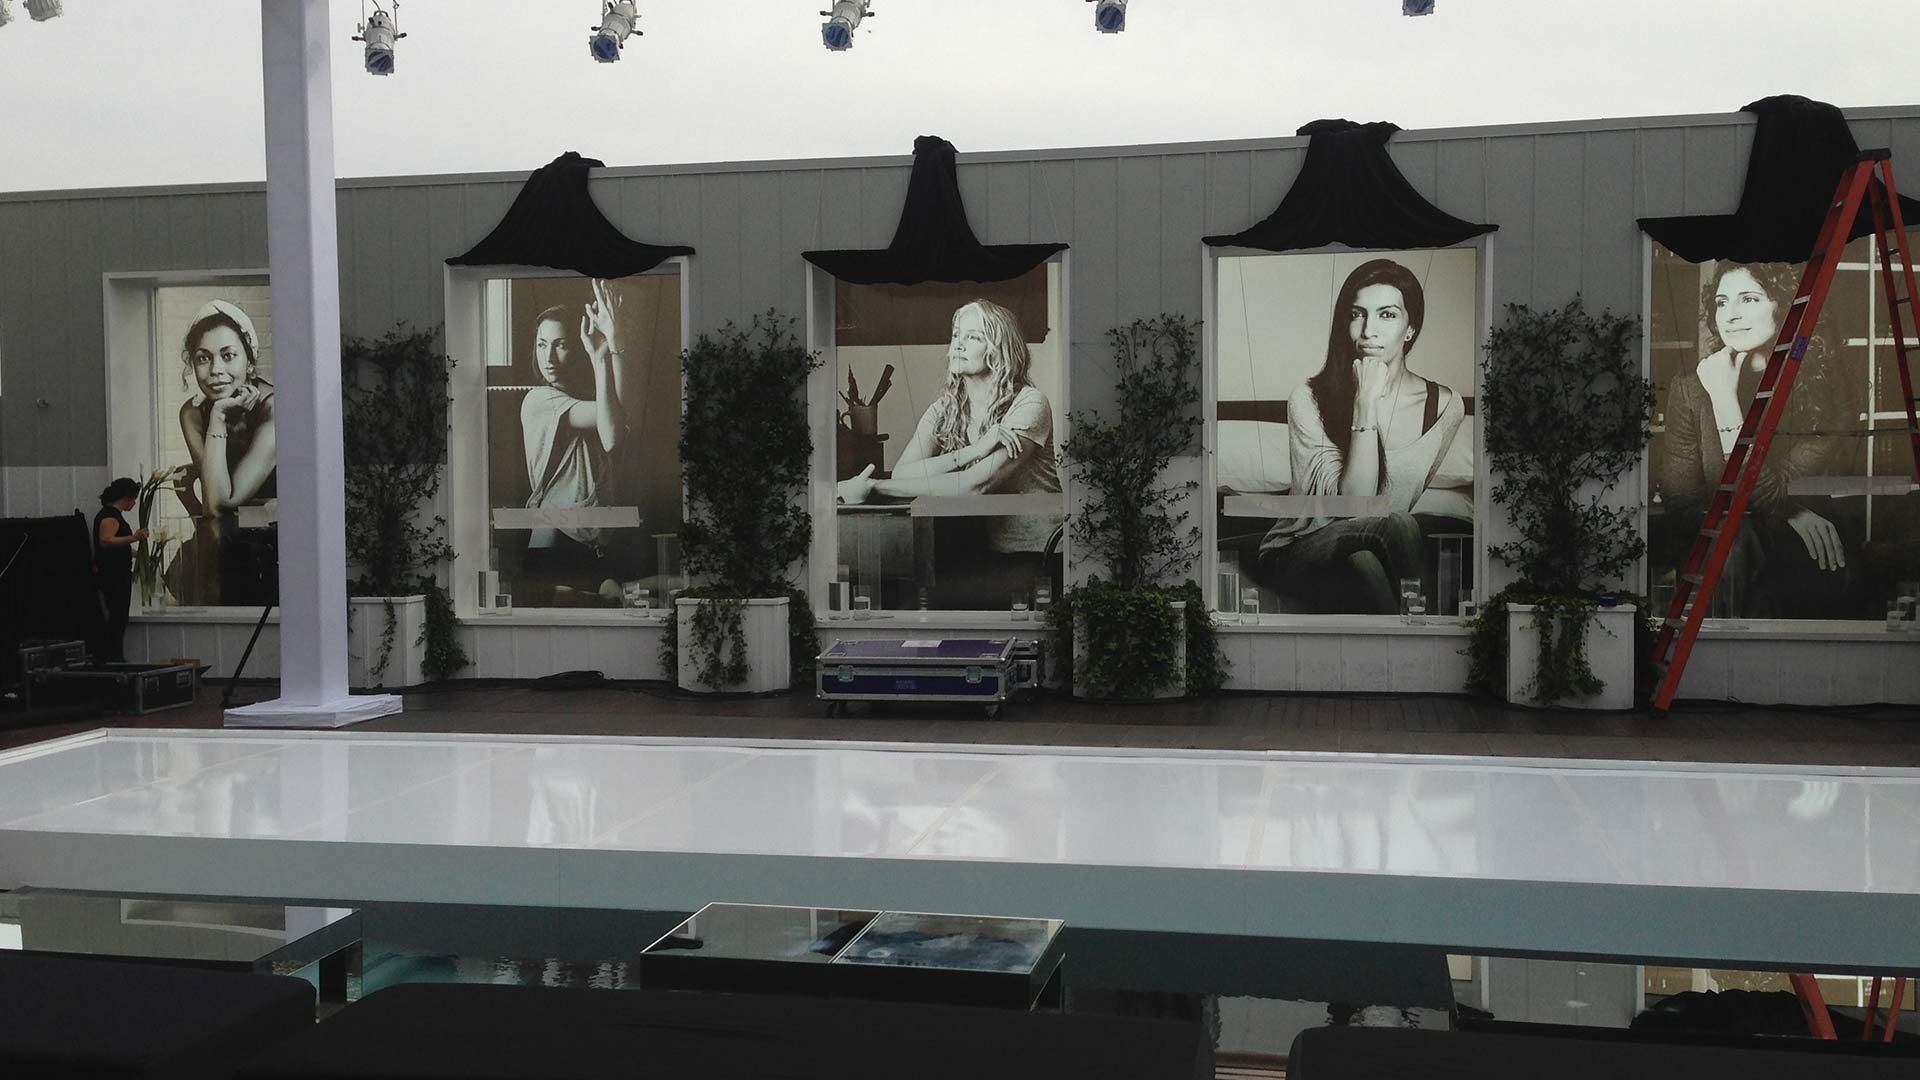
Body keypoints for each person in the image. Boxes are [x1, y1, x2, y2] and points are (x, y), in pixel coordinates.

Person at [1255, 258, 1466, 613]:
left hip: (1374, 550)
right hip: (1296, 552)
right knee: (1396, 523)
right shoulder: (1307, 398)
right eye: (1357, 314)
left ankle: (1406, 651)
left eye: (1387, 315)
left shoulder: (1446, 407)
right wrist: (1365, 402)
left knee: (1370, 558)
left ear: (1410, 328)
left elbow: (1401, 495)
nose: (1369, 330)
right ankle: (1431, 629)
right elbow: (1354, 507)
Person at [1656, 262, 1857, 616]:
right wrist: (1720, 398)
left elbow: (1766, 491)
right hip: (1726, 546)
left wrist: (1727, 404)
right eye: (1721, 302)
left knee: (1800, 556)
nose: (1730, 315)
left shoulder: (1824, 391)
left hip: (1797, 551)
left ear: (1781, 305)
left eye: (1748, 299)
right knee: (1735, 541)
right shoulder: (1691, 388)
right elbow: (1681, 501)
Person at [836, 299, 1060, 503]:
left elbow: (976, 485)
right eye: (956, 335)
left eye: (973, 337)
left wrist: (875, 486)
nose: (958, 345)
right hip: (980, 543)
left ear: (1000, 350)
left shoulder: (1030, 403)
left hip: (1039, 546)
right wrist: (976, 450)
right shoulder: (944, 408)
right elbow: (903, 473)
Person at [519, 278, 633, 605]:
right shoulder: (538, 400)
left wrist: (614, 342)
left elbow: (613, 428)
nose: (549, 357)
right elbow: (611, 420)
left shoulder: (586, 396)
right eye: (541, 345)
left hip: (591, 545)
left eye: (560, 344)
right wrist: (608, 353)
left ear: (578, 346)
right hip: (553, 539)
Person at [169, 300, 277, 605]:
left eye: (228, 356)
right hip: (226, 543)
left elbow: (222, 504)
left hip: (272, 548)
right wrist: (218, 415)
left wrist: (216, 418)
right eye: (204, 358)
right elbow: (213, 506)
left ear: (250, 363)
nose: (216, 370)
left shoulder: (273, 410)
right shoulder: (192, 414)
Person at [94, 477, 147, 663]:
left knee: (119, 616)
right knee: (117, 617)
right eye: (133, 499)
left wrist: (137, 555)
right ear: (125, 498)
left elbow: (118, 546)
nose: (133, 503)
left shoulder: (113, 515)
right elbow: (106, 540)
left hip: (117, 573)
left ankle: (114, 655)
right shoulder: (110, 516)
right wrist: (135, 537)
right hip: (113, 576)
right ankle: (112, 657)